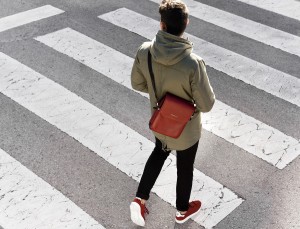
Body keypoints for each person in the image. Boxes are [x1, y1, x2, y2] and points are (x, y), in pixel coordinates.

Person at [130, 0, 215, 226]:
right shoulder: (193, 63)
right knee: (184, 167)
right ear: (186, 24)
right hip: (185, 129)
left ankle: (140, 198)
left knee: (159, 152)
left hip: (161, 122)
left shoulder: (145, 51)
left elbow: (137, 84)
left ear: (162, 25)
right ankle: (181, 210)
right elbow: (206, 105)